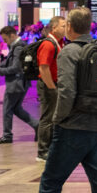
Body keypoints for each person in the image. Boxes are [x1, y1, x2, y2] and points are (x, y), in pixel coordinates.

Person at [39, 7, 97, 192]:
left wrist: (58, 119)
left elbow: (67, 92)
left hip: (72, 127)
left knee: (50, 182)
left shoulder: (69, 51)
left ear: (70, 26)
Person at [0, 26, 38, 144]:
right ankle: (38, 125)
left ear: (12, 35)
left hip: (16, 83)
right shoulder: (18, 45)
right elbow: (10, 61)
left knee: (7, 110)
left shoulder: (18, 47)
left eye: (5, 39)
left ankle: (7, 135)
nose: (4, 42)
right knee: (16, 108)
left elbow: (16, 68)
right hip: (20, 83)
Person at [37, 16, 65, 162]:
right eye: (63, 26)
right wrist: (52, 87)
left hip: (54, 84)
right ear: (54, 28)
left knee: (53, 117)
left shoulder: (59, 43)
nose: (65, 29)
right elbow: (43, 67)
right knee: (47, 118)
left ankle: (51, 148)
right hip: (48, 85)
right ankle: (42, 152)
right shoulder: (48, 44)